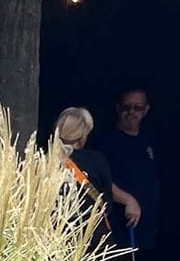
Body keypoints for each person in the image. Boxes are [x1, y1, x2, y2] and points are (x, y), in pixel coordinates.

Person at [51, 107, 140, 247]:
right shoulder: (95, 160)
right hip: (92, 240)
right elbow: (106, 201)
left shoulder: (43, 160)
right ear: (81, 138)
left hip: (55, 240)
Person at [97, 88, 159, 252]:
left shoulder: (150, 139)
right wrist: (127, 200)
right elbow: (98, 180)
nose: (131, 111)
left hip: (147, 227)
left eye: (137, 107)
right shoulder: (105, 142)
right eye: (126, 107)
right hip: (119, 223)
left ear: (146, 110)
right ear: (118, 108)